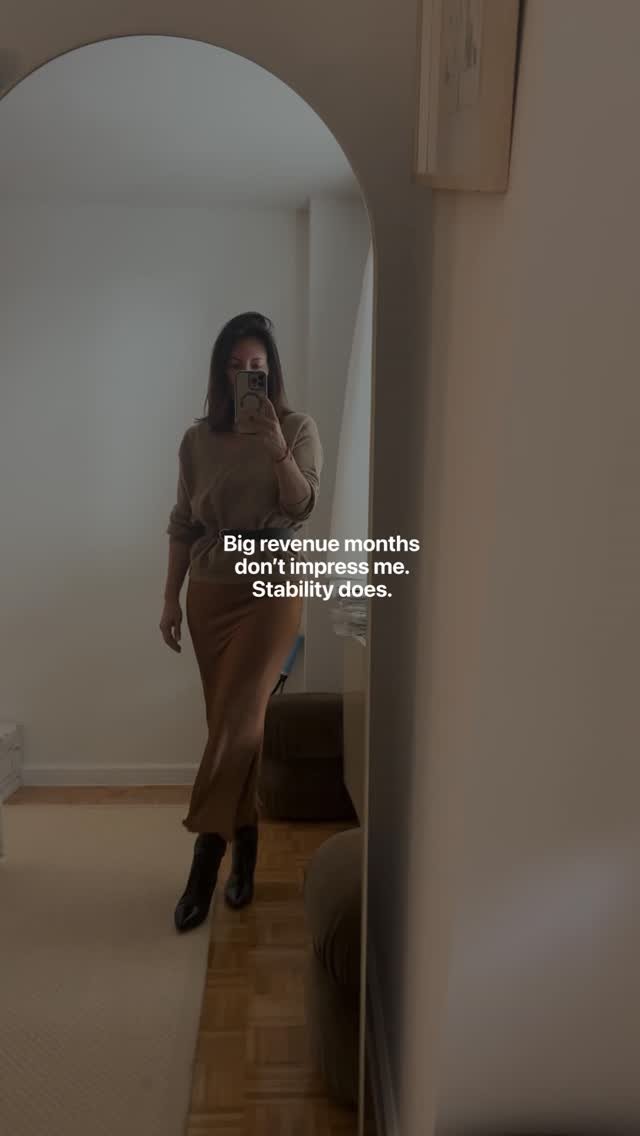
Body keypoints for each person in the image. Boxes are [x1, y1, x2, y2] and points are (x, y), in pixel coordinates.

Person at [160, 312, 323, 934]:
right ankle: (246, 845)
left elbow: (301, 505)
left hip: (274, 584)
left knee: (240, 718)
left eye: (257, 366)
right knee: (229, 722)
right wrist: (170, 599)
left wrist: (274, 445)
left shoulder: (297, 428)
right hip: (211, 592)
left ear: (270, 372)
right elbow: (183, 524)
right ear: (220, 373)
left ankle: (205, 860)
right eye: (236, 366)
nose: (246, 376)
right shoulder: (196, 441)